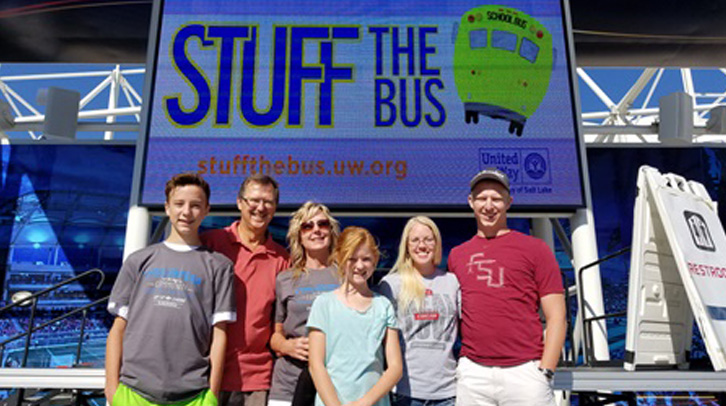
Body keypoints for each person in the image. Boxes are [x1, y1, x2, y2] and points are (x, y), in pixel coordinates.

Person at [105, 173, 236, 406]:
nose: (186, 212)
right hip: (133, 392)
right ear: (167, 208)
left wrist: (212, 394)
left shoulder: (219, 266)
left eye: (195, 205)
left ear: (206, 210)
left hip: (194, 396)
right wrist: (112, 389)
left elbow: (220, 334)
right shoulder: (139, 260)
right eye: (179, 204)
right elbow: (118, 329)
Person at [447, 168, 566, 406]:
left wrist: (546, 371)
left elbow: (557, 316)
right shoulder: (457, 256)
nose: (489, 206)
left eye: (496, 198)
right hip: (473, 374)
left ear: (508, 202)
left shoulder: (536, 249)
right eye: (482, 198)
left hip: (525, 373)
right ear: (471, 202)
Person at [201, 174, 289, 406]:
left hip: (256, 379)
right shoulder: (210, 243)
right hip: (205, 373)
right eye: (254, 200)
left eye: (268, 202)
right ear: (240, 202)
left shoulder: (283, 259)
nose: (261, 207)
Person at [307, 227, 402, 406]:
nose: (359, 266)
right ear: (340, 259)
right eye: (352, 259)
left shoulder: (384, 306)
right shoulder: (324, 304)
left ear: (375, 261)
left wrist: (364, 403)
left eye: (366, 259)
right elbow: (316, 365)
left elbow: (395, 368)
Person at [378, 217, 459, 406]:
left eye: (428, 239)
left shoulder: (452, 282)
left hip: (448, 392)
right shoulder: (391, 284)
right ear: (406, 245)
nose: (422, 245)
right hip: (406, 392)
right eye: (415, 240)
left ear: (437, 243)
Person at [269, 202, 342, 406]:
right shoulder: (285, 279)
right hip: (288, 383)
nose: (316, 230)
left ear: (331, 230)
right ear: (299, 235)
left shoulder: (346, 276)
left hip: (333, 381)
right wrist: (287, 345)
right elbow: (275, 335)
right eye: (307, 226)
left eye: (322, 224)